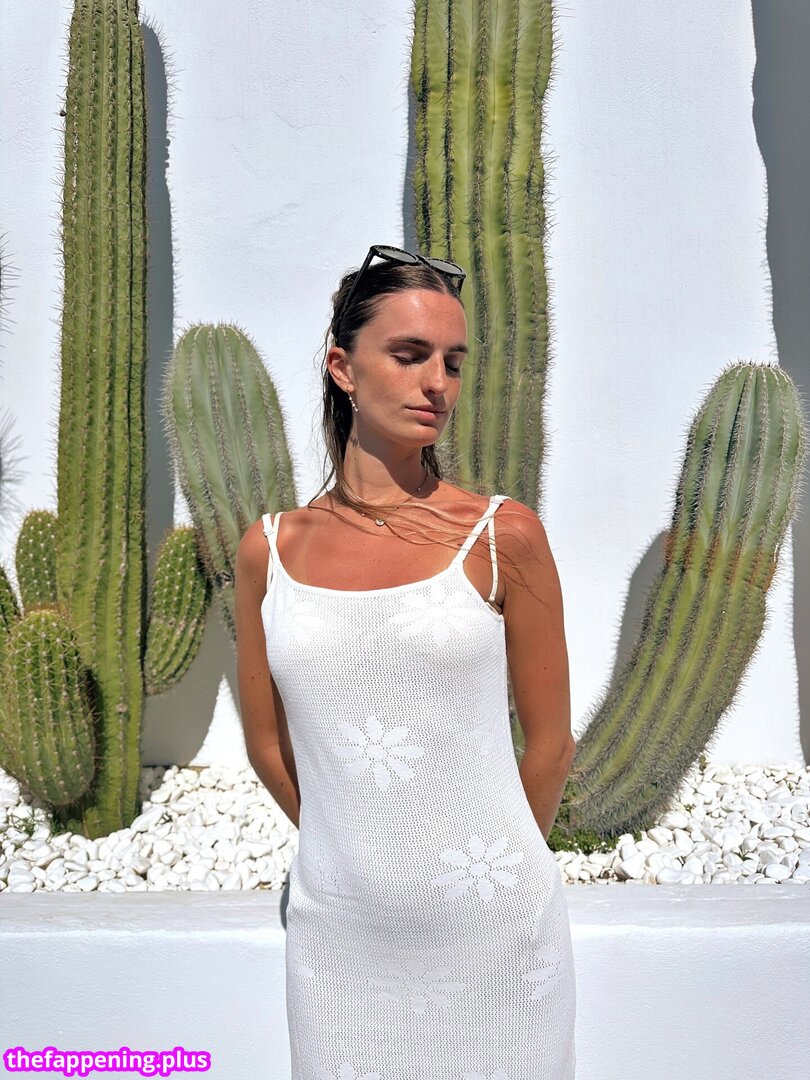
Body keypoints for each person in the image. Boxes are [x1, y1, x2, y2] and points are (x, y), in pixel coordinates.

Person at [235, 245, 578, 1078]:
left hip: (495, 935)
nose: (437, 384)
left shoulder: (503, 536)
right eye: (410, 354)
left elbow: (551, 744)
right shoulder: (268, 551)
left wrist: (493, 873)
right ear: (342, 368)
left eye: (452, 363)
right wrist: (353, 856)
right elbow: (268, 747)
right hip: (340, 938)